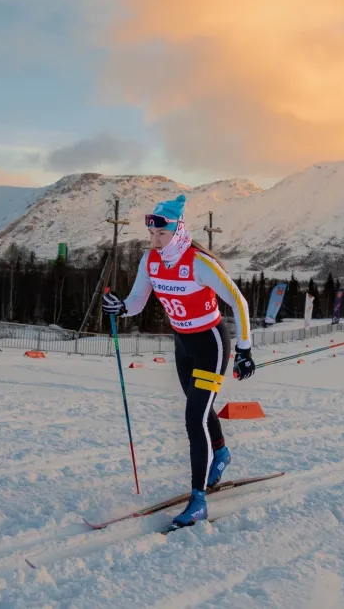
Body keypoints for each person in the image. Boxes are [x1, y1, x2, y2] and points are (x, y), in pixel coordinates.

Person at [102, 194, 255, 530]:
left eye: (161, 235)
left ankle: (198, 500)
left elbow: (239, 302)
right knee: (198, 406)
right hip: (183, 344)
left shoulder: (199, 262)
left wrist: (244, 349)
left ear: (177, 231)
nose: (155, 241)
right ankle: (222, 453)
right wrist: (121, 308)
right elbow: (138, 301)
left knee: (193, 419)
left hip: (212, 344)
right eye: (152, 235)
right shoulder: (150, 261)